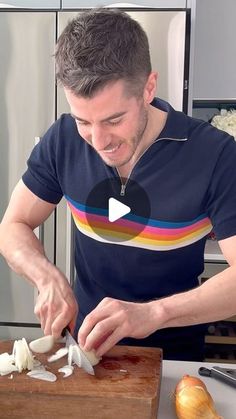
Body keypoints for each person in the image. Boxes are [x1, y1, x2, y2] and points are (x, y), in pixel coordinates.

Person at [0, 8, 236, 362]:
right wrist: (45, 276)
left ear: (148, 88)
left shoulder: (215, 155)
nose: (98, 141)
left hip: (173, 357)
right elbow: (12, 225)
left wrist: (152, 314)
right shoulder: (63, 139)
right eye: (83, 120)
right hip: (85, 350)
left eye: (114, 119)